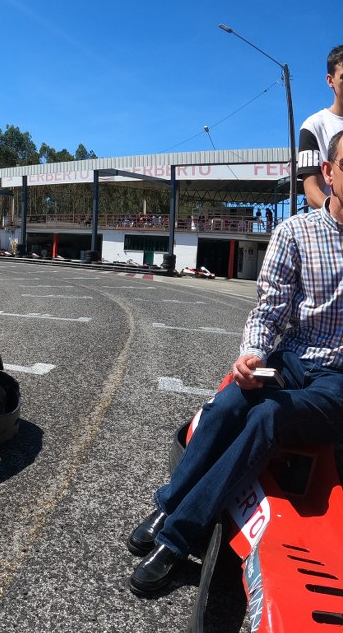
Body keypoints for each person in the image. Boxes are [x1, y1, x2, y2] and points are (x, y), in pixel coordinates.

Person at [126, 129, 343, 597]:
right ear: (328, 173)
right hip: (292, 358)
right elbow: (269, 310)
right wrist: (252, 355)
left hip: (337, 382)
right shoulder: (295, 233)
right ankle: (169, 504)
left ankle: (177, 537)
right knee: (227, 404)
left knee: (267, 416)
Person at [296, 45, 343, 210]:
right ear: (330, 80)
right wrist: (337, 215)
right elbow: (312, 191)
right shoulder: (313, 127)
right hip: (333, 228)